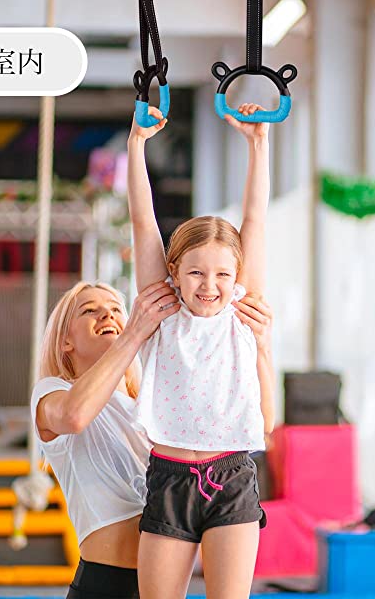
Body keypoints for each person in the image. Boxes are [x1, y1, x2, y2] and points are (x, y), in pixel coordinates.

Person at [32, 281, 272, 598]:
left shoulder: (150, 408)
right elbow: (73, 416)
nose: (108, 315)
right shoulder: (52, 392)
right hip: (106, 585)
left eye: (116, 309)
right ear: (65, 341)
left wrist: (260, 345)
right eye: (90, 311)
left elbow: (260, 423)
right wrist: (133, 334)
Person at [127, 104, 275, 599]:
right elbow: (144, 223)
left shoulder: (240, 309)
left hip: (231, 476)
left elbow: (255, 217)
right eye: (195, 273)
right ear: (173, 271)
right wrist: (137, 144)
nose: (209, 286)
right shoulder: (163, 308)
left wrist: (258, 143)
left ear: (236, 278)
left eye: (222, 275)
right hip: (169, 478)